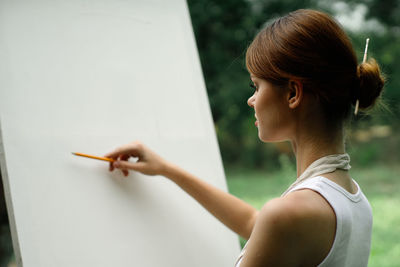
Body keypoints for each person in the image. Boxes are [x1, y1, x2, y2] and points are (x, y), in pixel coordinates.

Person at [105, 9, 384, 267]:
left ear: (292, 93)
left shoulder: (291, 214)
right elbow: (255, 222)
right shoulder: (353, 202)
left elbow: (269, 223)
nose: (251, 100)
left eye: (256, 85)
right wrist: (165, 168)